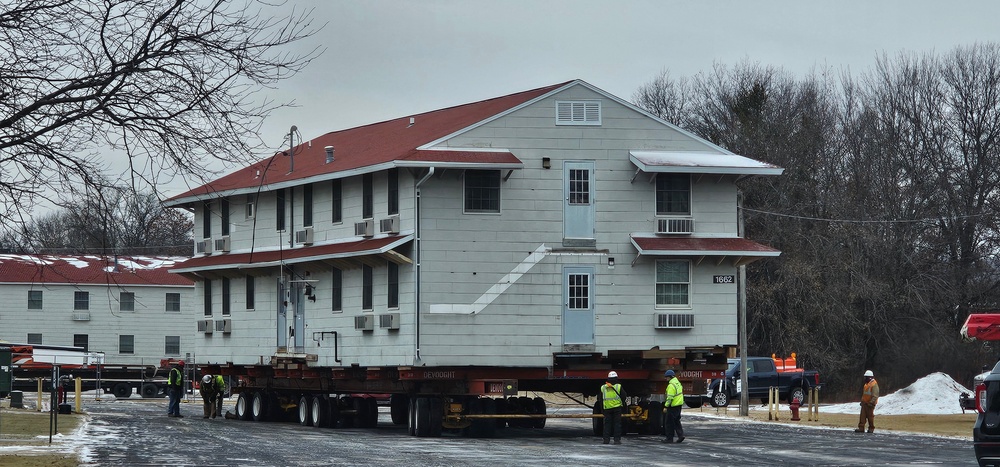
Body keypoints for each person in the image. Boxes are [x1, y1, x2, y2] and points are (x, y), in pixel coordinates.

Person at [601, 370, 625, 445]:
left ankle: (606, 440)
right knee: (617, 424)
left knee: (607, 424)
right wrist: (622, 404)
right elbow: (624, 396)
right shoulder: (619, 386)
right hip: (617, 408)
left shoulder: (603, 387)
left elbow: (601, 399)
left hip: (607, 408)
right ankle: (617, 440)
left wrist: (602, 409)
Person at [662, 369, 685, 443]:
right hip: (679, 405)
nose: (666, 379)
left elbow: (670, 398)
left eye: (666, 377)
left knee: (669, 423)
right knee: (676, 421)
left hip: (672, 406)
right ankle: (680, 435)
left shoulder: (671, 385)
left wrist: (666, 406)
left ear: (670, 377)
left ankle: (669, 438)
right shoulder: (677, 383)